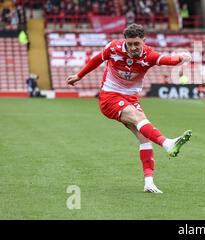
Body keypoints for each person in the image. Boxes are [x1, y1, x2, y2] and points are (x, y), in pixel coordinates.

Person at [66, 24, 193, 193]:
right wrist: (79, 76)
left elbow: (166, 60)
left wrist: (181, 58)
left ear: (143, 41)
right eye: (130, 43)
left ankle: (149, 182)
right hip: (109, 97)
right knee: (138, 118)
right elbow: (97, 59)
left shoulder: (148, 55)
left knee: (144, 136)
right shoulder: (114, 48)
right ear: (125, 40)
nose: (133, 47)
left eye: (136, 44)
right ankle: (167, 143)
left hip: (130, 98)